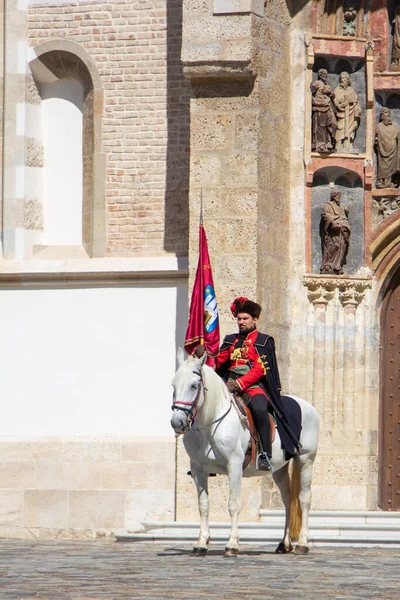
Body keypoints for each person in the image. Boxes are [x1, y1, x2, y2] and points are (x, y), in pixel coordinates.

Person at [196, 297, 300, 471]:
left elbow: (260, 369)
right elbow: (219, 363)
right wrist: (204, 355)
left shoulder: (263, 341)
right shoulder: (231, 340)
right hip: (227, 384)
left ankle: (265, 454)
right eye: (239, 319)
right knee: (202, 404)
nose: (241, 322)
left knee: (260, 409)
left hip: (252, 387)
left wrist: (237, 384)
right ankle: (203, 454)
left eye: (245, 319)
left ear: (254, 320)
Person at [320, 188, 351, 275]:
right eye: (338, 196)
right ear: (334, 196)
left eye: (340, 196)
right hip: (334, 230)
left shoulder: (340, 206)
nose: (339, 198)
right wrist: (333, 222)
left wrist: (345, 210)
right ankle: (328, 265)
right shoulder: (328, 205)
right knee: (334, 245)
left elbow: (343, 213)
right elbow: (325, 214)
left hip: (343, 229)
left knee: (342, 246)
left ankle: (337, 265)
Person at [333, 71, 361, 153]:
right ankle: (338, 146)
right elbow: (335, 102)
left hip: (350, 114)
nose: (342, 80)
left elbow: (356, 101)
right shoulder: (337, 90)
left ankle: (348, 146)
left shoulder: (351, 90)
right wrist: (341, 105)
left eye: (344, 78)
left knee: (350, 130)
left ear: (348, 80)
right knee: (340, 128)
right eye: (341, 78)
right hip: (341, 113)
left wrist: (356, 107)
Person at [311, 68, 337, 153]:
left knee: (331, 124)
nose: (325, 76)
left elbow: (333, 94)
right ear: (320, 75)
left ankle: (329, 143)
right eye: (323, 74)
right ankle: (320, 145)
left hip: (327, 107)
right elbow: (311, 91)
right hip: (319, 107)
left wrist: (330, 93)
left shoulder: (326, 85)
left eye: (326, 74)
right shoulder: (317, 83)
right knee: (320, 126)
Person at [375, 107, 400, 189]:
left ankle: (392, 181)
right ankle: (383, 182)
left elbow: (398, 136)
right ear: (382, 116)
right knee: (383, 167)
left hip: (393, 151)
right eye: (385, 113)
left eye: (388, 113)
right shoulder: (379, 126)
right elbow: (376, 139)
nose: (387, 115)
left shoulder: (394, 127)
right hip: (383, 151)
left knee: (392, 167)